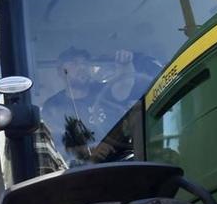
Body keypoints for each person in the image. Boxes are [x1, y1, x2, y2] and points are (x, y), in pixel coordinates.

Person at [38, 45, 166, 162]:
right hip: (82, 170)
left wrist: (125, 65)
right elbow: (57, 145)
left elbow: (122, 90)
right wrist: (90, 150)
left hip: (124, 160)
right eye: (74, 63)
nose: (82, 67)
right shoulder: (53, 107)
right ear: (61, 71)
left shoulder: (103, 91)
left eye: (84, 63)